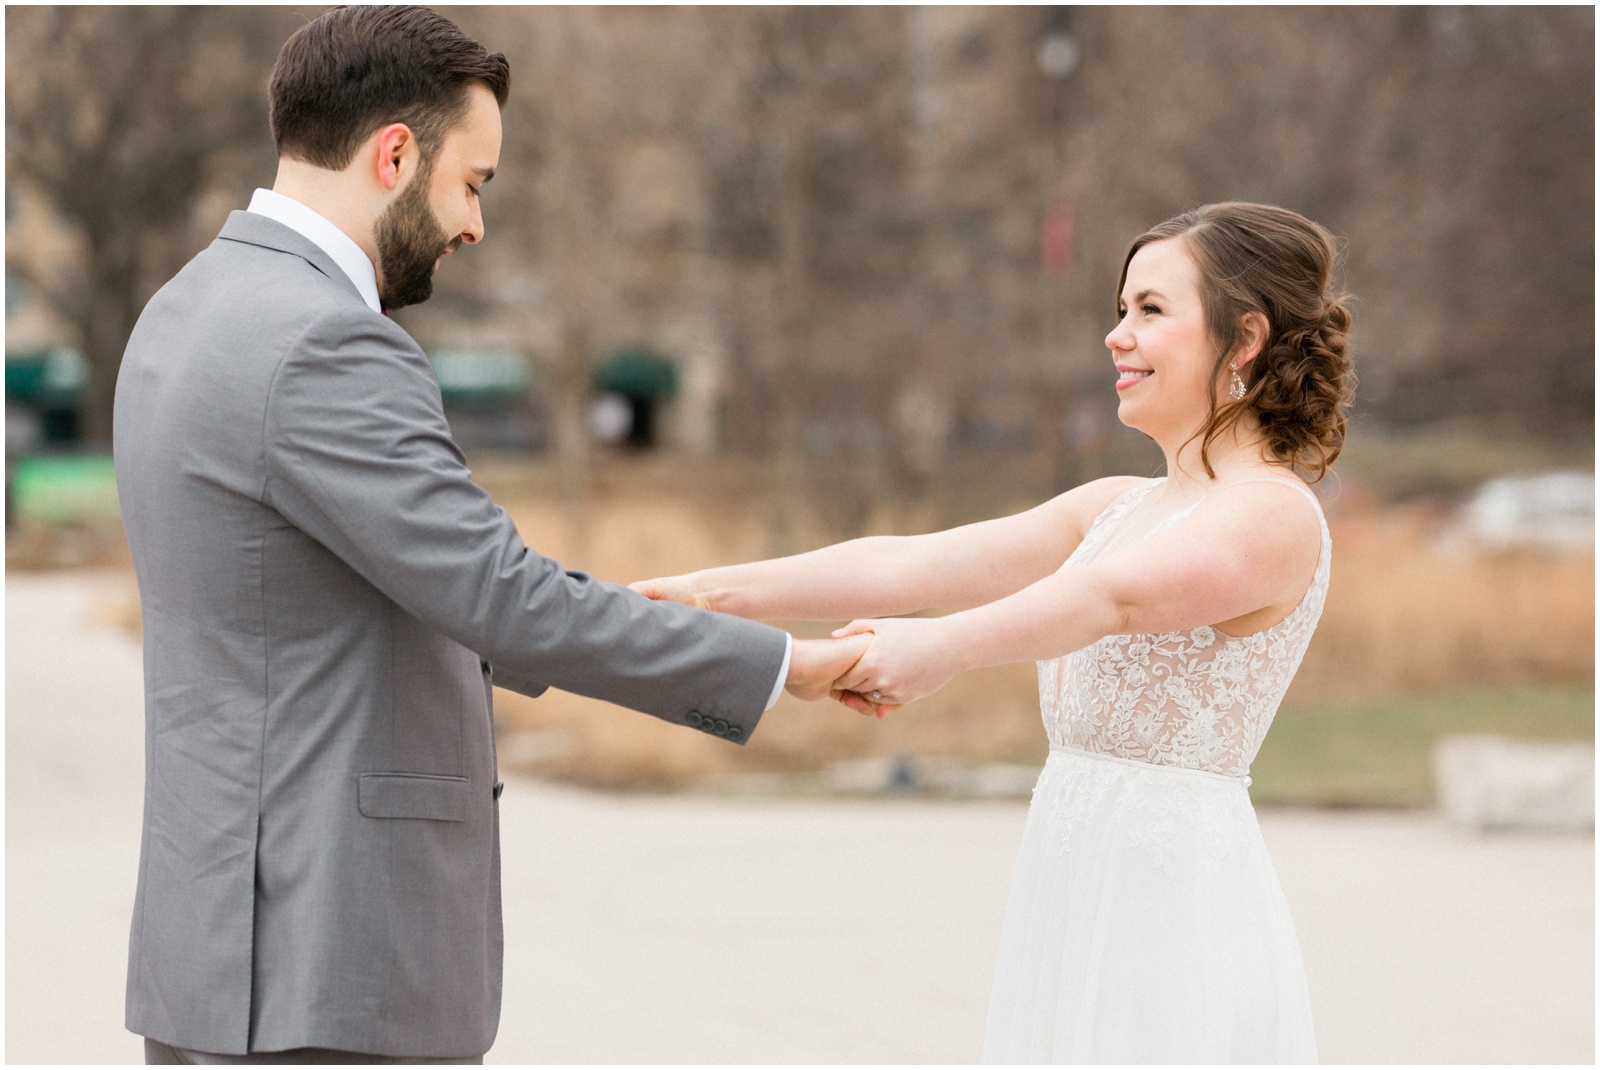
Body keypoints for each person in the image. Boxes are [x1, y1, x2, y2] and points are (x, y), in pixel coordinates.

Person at [113, 7, 868, 1064]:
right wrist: (782, 663)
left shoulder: (182, 311)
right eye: (472, 183)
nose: (474, 226)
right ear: (393, 154)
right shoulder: (327, 342)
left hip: (216, 950)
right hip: (329, 959)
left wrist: (628, 611)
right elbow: (498, 594)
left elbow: (401, 584)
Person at [635, 202, 1355, 1063]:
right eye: (1122, 309)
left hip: (1172, 902)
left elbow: (1113, 600)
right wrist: (704, 592)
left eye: (1150, 311)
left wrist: (938, 649)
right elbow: (911, 567)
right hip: (1075, 870)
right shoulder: (1116, 506)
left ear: (1243, 339)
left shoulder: (1276, 515)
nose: (1115, 336)